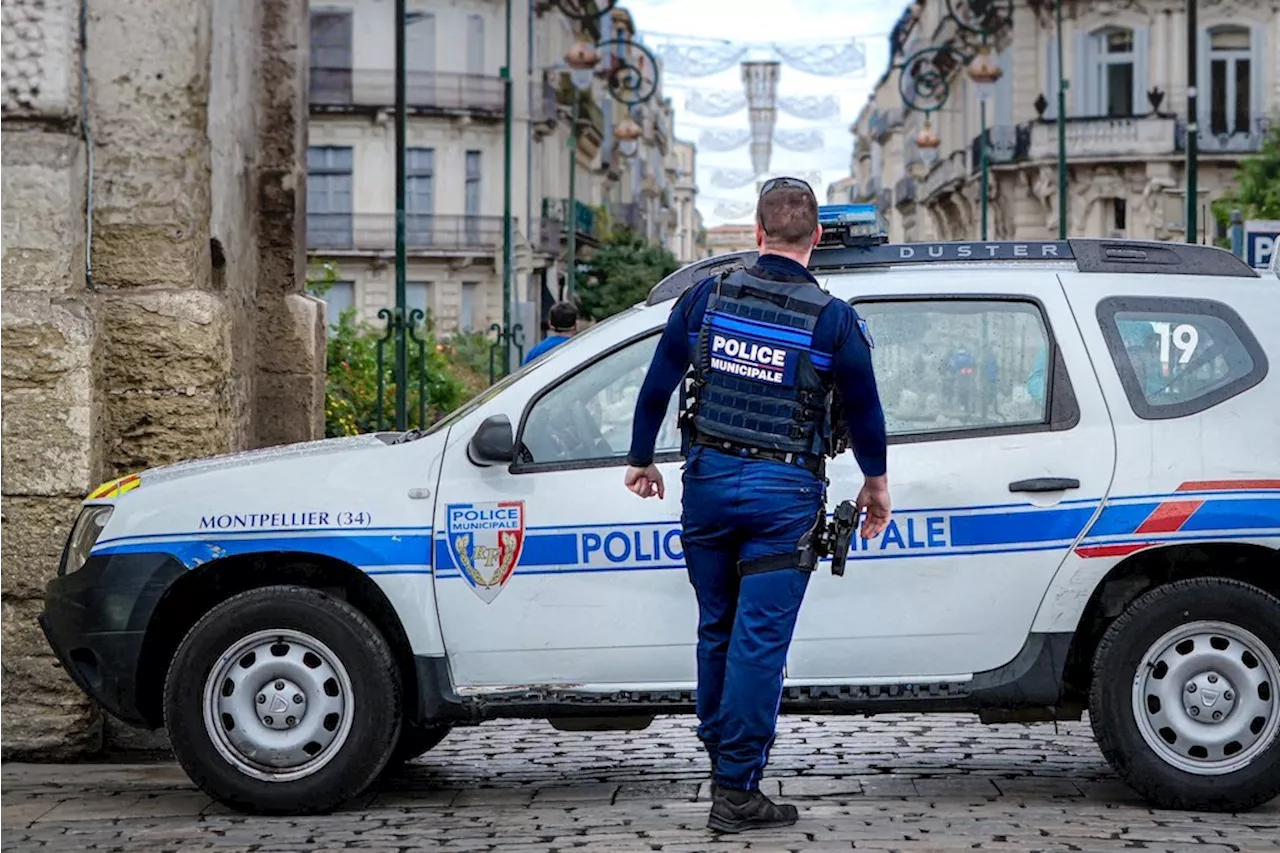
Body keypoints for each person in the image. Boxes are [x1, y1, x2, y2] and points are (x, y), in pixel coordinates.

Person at [622, 176, 892, 833]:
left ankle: (725, 761)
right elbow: (865, 410)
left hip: (708, 486)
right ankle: (736, 789)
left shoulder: (705, 298)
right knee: (758, 644)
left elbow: (658, 381)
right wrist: (875, 484)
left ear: (757, 230)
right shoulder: (833, 320)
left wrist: (640, 458)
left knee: (717, 624)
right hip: (783, 496)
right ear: (818, 237)